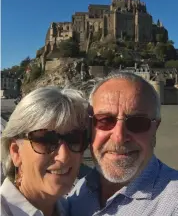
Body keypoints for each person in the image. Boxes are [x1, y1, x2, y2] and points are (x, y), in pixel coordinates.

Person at [67, 72, 178, 215]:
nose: (119, 137)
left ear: (155, 127)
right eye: (105, 120)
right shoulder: (80, 190)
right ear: (89, 126)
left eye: (137, 122)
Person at [1, 86, 90, 216]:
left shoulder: (71, 209)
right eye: (46, 140)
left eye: (74, 139)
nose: (64, 156)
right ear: (16, 152)